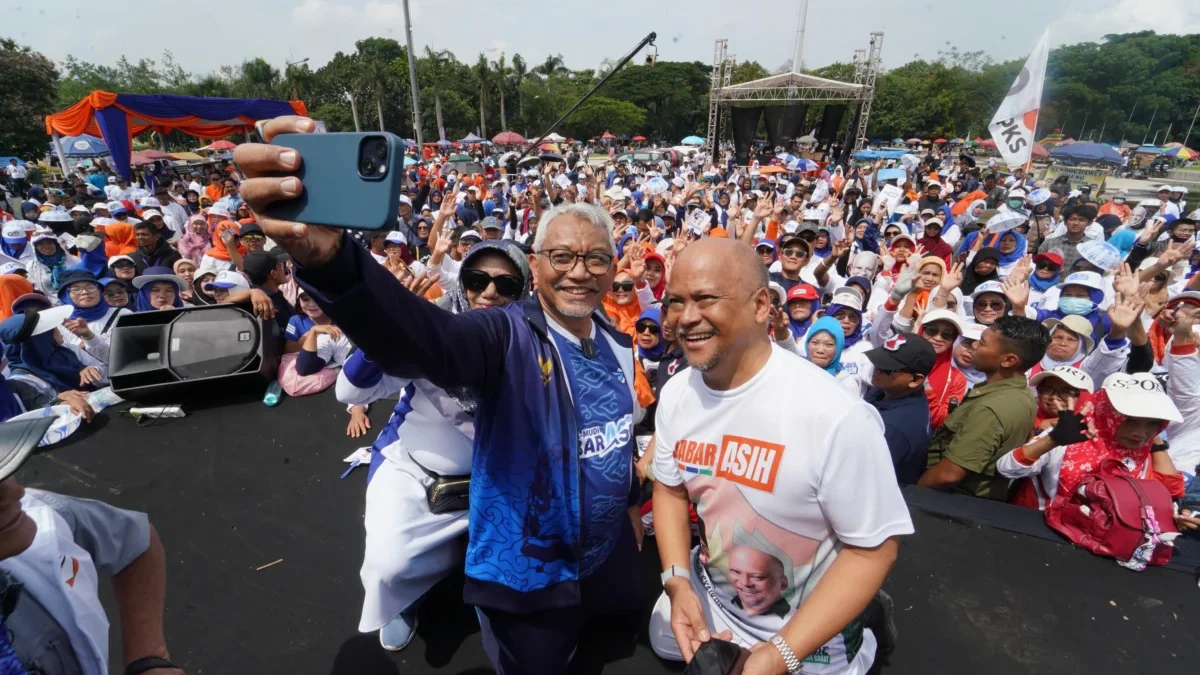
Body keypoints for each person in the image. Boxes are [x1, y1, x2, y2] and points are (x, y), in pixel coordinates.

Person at [238, 119, 644, 675]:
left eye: (596, 258)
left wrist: (631, 498)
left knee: (626, 619)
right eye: (563, 257)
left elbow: (622, 431)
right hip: (530, 565)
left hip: (602, 552)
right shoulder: (505, 335)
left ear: (613, 266)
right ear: (541, 265)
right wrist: (335, 263)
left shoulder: (618, 340)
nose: (580, 272)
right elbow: (427, 341)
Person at [649, 237, 912, 674]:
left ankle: (862, 626)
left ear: (760, 306)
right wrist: (676, 580)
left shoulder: (837, 416)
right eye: (675, 302)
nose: (686, 318)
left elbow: (875, 550)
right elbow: (670, 490)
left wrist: (781, 655)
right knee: (665, 642)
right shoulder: (678, 392)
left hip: (801, 627)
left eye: (706, 299)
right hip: (715, 592)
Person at [337, 239, 531, 650]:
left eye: (506, 284)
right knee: (388, 568)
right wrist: (389, 321)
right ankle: (401, 600)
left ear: (524, 290)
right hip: (418, 477)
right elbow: (349, 391)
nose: (489, 292)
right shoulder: (428, 329)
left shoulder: (534, 339)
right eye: (477, 279)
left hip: (501, 486)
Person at [0, 416, 187, 675]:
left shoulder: (43, 517)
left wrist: (150, 658)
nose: (15, 493)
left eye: (3, 472)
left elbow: (134, 540)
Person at [998, 372, 1186, 513]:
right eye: (1129, 420)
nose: (1140, 433)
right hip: (1043, 532)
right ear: (1107, 413)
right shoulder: (1069, 435)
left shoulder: (1143, 451)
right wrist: (1051, 440)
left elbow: (1166, 493)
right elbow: (1007, 468)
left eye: (1153, 423)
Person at [919, 315, 1048, 500]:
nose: (974, 346)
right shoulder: (1020, 394)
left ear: (1009, 361)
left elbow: (948, 475)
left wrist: (912, 493)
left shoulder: (991, 409)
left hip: (949, 500)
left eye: (982, 343)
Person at [864, 333, 936, 484]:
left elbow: (863, 477)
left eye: (888, 369)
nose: (877, 370)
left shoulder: (896, 426)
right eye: (877, 362)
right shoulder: (886, 390)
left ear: (916, 380)